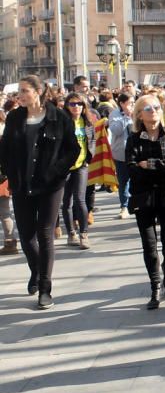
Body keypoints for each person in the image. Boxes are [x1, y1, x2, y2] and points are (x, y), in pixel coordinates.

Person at [0, 76, 80, 309]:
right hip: (22, 185)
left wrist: (57, 171)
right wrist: (10, 173)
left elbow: (72, 149)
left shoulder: (59, 116)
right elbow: (4, 150)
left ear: (38, 92)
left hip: (50, 185)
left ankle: (45, 289)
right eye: (19, 92)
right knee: (26, 235)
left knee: (45, 234)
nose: (20, 96)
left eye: (24, 91)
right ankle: (36, 269)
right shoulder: (15, 117)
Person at [126, 94, 165, 310]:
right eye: (148, 108)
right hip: (143, 197)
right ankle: (155, 285)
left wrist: (148, 165)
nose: (154, 111)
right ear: (139, 115)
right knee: (149, 245)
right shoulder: (133, 139)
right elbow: (131, 168)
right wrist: (162, 163)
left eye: (157, 107)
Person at [61, 92, 96, 248]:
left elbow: (92, 141)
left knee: (80, 200)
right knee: (66, 202)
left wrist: (89, 159)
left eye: (79, 104)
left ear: (84, 106)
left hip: (81, 166)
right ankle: (71, 233)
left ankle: (84, 234)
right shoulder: (62, 123)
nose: (76, 107)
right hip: (64, 168)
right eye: (72, 104)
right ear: (67, 106)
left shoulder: (87, 123)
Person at [108, 93, 135, 219]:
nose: (132, 105)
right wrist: (126, 117)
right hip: (121, 153)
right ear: (122, 104)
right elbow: (116, 131)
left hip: (136, 153)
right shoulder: (115, 114)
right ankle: (124, 206)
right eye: (130, 103)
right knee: (123, 181)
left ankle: (135, 204)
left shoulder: (137, 112)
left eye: (133, 103)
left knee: (137, 180)